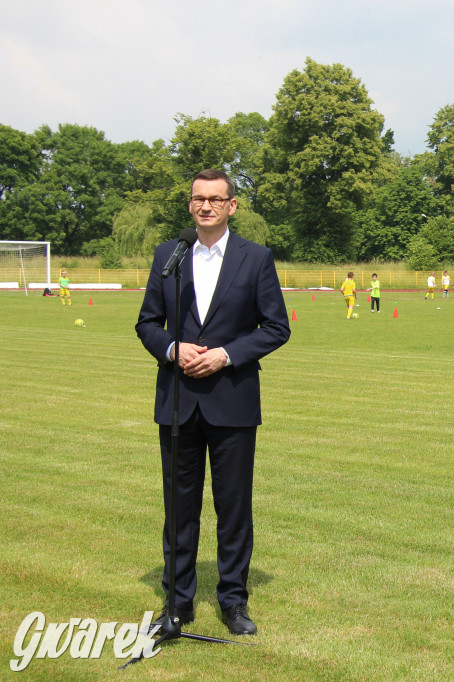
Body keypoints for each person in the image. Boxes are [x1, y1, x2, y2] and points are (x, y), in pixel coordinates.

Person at [136, 169, 290, 636]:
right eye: (198, 199)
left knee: (233, 507)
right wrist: (171, 347)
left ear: (232, 206)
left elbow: (276, 327)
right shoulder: (169, 255)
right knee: (179, 510)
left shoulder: (256, 258)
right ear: (190, 206)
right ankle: (177, 604)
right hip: (179, 403)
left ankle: (233, 602)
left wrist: (225, 355)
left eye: (215, 199)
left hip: (233, 402)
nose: (206, 206)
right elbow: (147, 323)